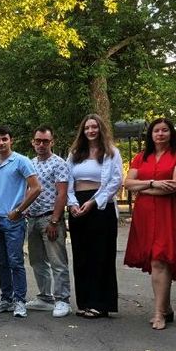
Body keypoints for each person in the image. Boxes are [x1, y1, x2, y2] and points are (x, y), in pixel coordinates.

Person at [123, 118, 176, 329]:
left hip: (171, 213)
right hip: (146, 215)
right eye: (156, 131)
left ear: (171, 133)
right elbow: (128, 183)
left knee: (160, 259)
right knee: (157, 260)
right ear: (150, 135)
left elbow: (175, 185)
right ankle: (165, 307)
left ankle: (159, 314)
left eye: (164, 130)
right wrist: (152, 183)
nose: (160, 134)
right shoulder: (141, 157)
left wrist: (143, 189)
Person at [66, 114, 123, 320]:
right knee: (81, 256)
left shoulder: (111, 153)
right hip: (77, 206)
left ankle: (101, 304)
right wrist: (72, 203)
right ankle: (85, 302)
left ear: (101, 129)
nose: (91, 131)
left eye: (94, 127)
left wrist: (93, 202)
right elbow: (68, 179)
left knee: (101, 256)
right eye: (87, 127)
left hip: (101, 207)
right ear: (83, 131)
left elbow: (116, 181)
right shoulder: (75, 154)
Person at [0, 126, 41, 318]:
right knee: (0, 261)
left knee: (15, 261)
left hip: (13, 220)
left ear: (11, 140)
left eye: (4, 139)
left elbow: (36, 188)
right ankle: (6, 299)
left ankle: (20, 301)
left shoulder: (21, 161)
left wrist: (19, 210)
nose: (1, 143)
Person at [25, 126, 72, 318]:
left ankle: (62, 300)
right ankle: (45, 297)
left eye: (45, 141)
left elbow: (62, 193)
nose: (41, 144)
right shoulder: (30, 164)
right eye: (38, 141)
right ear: (33, 142)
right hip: (32, 218)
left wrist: (55, 220)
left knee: (57, 261)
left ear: (52, 142)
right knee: (37, 260)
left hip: (50, 218)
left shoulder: (59, 163)